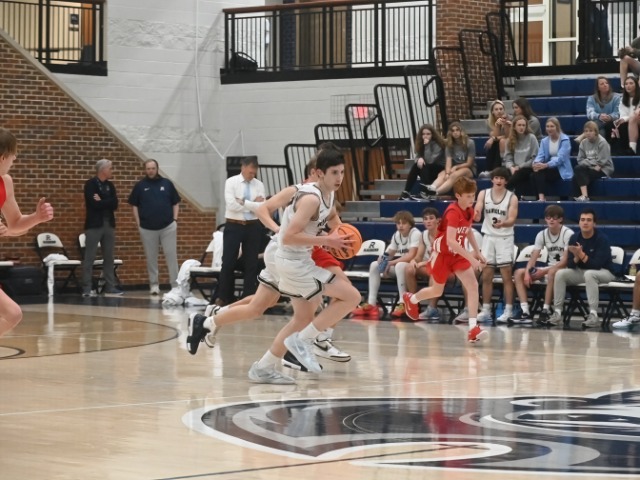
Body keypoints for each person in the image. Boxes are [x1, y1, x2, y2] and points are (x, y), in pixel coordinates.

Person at [186, 155, 350, 371]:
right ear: (315, 173)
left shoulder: (326, 195)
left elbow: (333, 219)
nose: (338, 177)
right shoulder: (300, 192)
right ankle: (307, 343)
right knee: (314, 306)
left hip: (296, 251)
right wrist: (277, 229)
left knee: (259, 306)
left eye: (340, 173)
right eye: (332, 172)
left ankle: (210, 320)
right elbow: (263, 210)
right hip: (286, 251)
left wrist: (343, 236)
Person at [402, 176, 488, 343]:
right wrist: (472, 259)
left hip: (457, 255)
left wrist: (478, 252)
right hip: (442, 254)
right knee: (437, 291)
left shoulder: (469, 210)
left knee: (472, 285)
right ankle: (411, 299)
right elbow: (450, 241)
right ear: (458, 195)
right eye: (468, 196)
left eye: (473, 195)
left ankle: (473, 329)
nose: (472, 199)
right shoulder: (452, 212)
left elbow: (468, 231)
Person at [0, 128, 54, 339]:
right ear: (3, 157)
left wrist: (37, 217)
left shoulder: (5, 182)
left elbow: (14, 224)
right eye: (13, 155)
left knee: (12, 314)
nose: (14, 159)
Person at [546, 208, 615, 328]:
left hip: (605, 272)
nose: (585, 222)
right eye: (582, 220)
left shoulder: (602, 239)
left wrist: (581, 254)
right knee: (560, 274)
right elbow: (570, 264)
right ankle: (557, 313)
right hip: (582, 272)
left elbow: (596, 265)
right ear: (579, 223)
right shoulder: (574, 238)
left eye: (589, 220)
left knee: (590, 274)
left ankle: (593, 315)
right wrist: (576, 257)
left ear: (594, 223)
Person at [351, 210, 421, 318]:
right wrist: (382, 260)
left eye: (404, 223)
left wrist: (391, 263)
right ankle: (371, 304)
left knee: (400, 265)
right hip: (400, 269)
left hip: (414, 268)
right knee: (374, 265)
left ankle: (402, 303)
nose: (400, 226)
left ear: (410, 224)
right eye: (398, 223)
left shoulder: (415, 233)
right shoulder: (397, 235)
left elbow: (411, 255)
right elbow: (389, 253)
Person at [510, 205, 573, 324]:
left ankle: (545, 310)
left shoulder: (568, 234)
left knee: (552, 273)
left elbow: (565, 261)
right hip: (550, 267)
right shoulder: (542, 234)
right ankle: (525, 311)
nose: (551, 220)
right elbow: (533, 258)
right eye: (548, 218)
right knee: (519, 273)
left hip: (565, 269)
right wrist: (527, 272)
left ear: (560, 219)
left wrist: (544, 271)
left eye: (554, 218)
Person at [216, 156, 265, 306]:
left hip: (253, 226)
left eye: (254, 172)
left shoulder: (259, 184)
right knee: (228, 261)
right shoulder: (231, 182)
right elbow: (231, 205)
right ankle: (224, 297)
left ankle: (247, 297)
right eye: (250, 172)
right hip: (234, 225)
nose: (252, 175)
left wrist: (243, 202)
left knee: (251, 263)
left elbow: (261, 206)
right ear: (243, 168)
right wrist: (252, 204)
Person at [128, 159, 181, 295]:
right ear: (145, 170)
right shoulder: (140, 186)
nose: (151, 171)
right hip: (147, 228)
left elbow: (175, 203)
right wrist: (138, 223)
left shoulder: (167, 183)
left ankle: (175, 285)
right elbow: (134, 205)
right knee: (151, 258)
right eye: (148, 169)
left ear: (157, 169)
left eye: (153, 168)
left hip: (168, 227)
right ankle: (154, 285)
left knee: (171, 256)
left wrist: (175, 220)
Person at [474, 167, 518, 323]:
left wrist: (503, 223)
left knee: (506, 276)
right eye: (496, 178)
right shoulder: (483, 193)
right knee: (486, 275)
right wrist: (477, 213)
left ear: (506, 181)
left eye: (502, 178)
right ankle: (486, 310)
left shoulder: (512, 197)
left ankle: (508, 310)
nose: (499, 181)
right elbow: (478, 207)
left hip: (504, 238)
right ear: (492, 179)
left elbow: (512, 219)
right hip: (488, 237)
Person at [82, 158, 122, 297]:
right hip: (94, 225)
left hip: (108, 224)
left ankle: (110, 287)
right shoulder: (91, 184)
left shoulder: (110, 186)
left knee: (109, 257)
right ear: (103, 170)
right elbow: (94, 204)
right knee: (90, 256)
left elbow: (115, 203)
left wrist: (103, 200)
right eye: (110, 168)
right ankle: (87, 288)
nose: (112, 171)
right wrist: (107, 201)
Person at [404, 207, 441, 320]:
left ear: (438, 220)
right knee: (409, 269)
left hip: (446, 268)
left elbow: (441, 258)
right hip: (429, 265)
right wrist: (414, 261)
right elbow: (419, 256)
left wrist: (424, 263)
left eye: (431, 218)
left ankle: (432, 309)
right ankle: (413, 305)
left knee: (435, 271)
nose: (428, 221)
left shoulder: (443, 234)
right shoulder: (424, 235)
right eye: (425, 219)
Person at [423, 122, 476, 196]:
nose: (455, 132)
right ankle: (432, 188)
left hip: (468, 169)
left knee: (454, 175)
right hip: (453, 168)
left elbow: (469, 163)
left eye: (457, 130)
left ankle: (436, 193)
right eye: (453, 131)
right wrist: (447, 173)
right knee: (442, 174)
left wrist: (456, 167)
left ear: (461, 131)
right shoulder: (449, 144)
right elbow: (448, 161)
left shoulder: (470, 143)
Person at [531, 117, 573, 202]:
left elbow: (561, 158)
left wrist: (546, 165)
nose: (549, 129)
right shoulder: (544, 141)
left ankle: (541, 198)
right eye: (547, 126)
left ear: (557, 127)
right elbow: (540, 155)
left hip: (561, 169)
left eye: (552, 126)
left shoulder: (565, 140)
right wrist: (536, 163)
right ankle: (540, 198)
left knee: (538, 173)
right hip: (548, 168)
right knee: (533, 174)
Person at [399, 124, 446, 201]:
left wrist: (427, 145)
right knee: (417, 165)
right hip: (428, 169)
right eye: (423, 134)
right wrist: (419, 159)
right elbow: (417, 157)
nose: (425, 136)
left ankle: (425, 191)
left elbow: (430, 160)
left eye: (428, 134)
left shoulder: (438, 144)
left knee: (425, 165)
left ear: (433, 135)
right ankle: (406, 191)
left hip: (439, 169)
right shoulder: (421, 143)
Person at [573, 120, 614, 202]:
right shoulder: (583, 143)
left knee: (579, 174)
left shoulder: (602, 142)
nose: (588, 133)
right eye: (586, 131)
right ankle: (581, 199)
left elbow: (602, 161)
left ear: (595, 132)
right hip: (592, 167)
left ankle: (585, 197)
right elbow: (580, 160)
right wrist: (591, 163)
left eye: (591, 131)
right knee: (576, 173)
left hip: (603, 168)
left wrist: (588, 162)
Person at [503, 115, 539, 197]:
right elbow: (508, 159)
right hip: (514, 168)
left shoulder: (532, 138)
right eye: (519, 125)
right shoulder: (509, 140)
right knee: (501, 173)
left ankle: (504, 193)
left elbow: (535, 158)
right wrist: (511, 167)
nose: (521, 127)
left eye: (523, 125)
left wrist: (519, 167)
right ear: (514, 127)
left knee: (519, 174)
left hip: (528, 167)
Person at [479, 99, 512, 177]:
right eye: (496, 109)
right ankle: (490, 170)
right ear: (492, 112)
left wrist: (505, 125)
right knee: (492, 144)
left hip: (510, 141)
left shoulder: (510, 118)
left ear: (504, 110)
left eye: (501, 109)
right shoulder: (488, 122)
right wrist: (497, 126)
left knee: (501, 141)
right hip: (499, 142)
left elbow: (509, 136)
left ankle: (496, 170)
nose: (499, 111)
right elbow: (494, 136)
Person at [612, 75, 640, 154]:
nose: (628, 86)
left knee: (633, 116)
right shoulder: (623, 99)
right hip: (631, 122)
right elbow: (623, 115)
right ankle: (627, 150)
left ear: (636, 85)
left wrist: (626, 118)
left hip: (637, 119)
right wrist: (622, 119)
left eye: (631, 83)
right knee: (620, 124)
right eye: (626, 84)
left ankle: (632, 148)